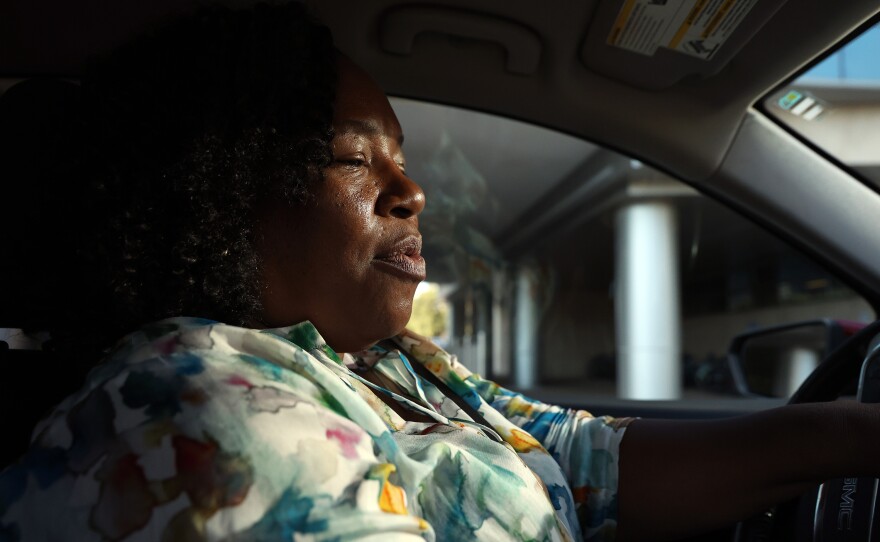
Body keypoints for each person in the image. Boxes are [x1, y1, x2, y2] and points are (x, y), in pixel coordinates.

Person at [0, 3, 877, 541]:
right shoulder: (202, 422)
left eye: (403, 158)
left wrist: (850, 434)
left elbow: (579, 461)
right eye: (355, 158)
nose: (411, 191)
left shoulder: (375, 362)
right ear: (219, 193)